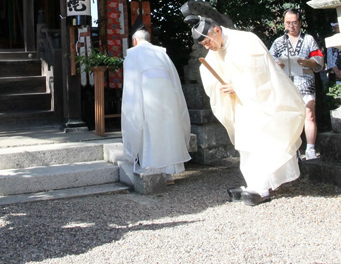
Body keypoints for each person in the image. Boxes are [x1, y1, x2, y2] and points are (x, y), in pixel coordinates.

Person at [190, 17, 306, 206]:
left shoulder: (245, 40)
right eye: (205, 45)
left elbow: (260, 74)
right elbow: (211, 70)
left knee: (262, 141)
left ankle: (262, 187)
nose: (209, 47)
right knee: (246, 144)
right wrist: (223, 85)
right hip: (241, 104)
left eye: (208, 41)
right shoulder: (217, 48)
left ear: (217, 31)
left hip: (261, 102)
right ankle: (252, 183)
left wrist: (237, 86)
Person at [121, 28, 191, 184]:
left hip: (147, 93)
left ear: (134, 41)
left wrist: (132, 108)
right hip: (168, 95)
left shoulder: (133, 54)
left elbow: (131, 85)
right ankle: (169, 173)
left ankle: (152, 169)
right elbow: (174, 79)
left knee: (149, 130)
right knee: (168, 130)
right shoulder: (161, 53)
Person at [269, 9, 324, 160]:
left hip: (305, 80)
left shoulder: (308, 40)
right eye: (288, 23)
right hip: (287, 83)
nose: (291, 26)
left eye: (294, 22)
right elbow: (269, 60)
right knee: (289, 117)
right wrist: (276, 65)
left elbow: (319, 61)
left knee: (309, 114)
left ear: (300, 23)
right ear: (284, 24)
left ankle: (311, 148)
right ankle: (293, 150)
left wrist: (308, 62)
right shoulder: (279, 42)